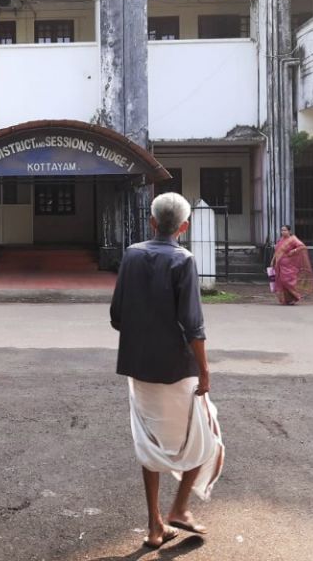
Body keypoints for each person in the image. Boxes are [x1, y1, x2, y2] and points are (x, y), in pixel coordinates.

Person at [110, 192, 225, 550]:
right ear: (185, 226)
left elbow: (116, 317)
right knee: (207, 436)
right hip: (178, 369)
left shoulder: (131, 255)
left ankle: (154, 526)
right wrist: (205, 373)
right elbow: (193, 325)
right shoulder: (183, 259)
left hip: (139, 367)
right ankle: (179, 508)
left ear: (152, 221)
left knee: (151, 442)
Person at [269, 224, 313, 305]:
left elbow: (302, 247)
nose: (283, 232)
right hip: (279, 264)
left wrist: (294, 251)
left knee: (287, 281)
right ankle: (286, 300)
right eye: (282, 230)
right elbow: (276, 251)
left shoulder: (293, 239)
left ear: (289, 231)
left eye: (285, 230)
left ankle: (296, 296)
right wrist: (273, 260)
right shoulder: (280, 240)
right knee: (280, 282)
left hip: (289, 265)